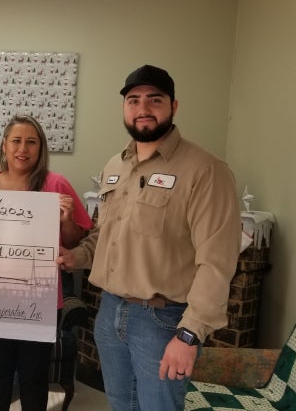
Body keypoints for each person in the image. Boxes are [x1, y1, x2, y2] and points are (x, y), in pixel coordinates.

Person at [58, 64, 241, 411]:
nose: (143, 109)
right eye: (133, 100)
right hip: (110, 313)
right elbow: (106, 236)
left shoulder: (205, 170)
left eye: (154, 100)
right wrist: (76, 257)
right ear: (125, 108)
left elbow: (217, 261)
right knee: (121, 405)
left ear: (173, 106)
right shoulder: (116, 165)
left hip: (162, 321)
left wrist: (189, 334)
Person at [0, 115, 93, 411]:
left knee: (34, 375)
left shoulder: (56, 183)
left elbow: (76, 239)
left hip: (40, 299)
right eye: (16, 141)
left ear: (41, 148)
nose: (22, 149)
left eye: (31, 142)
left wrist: (65, 220)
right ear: (4, 145)